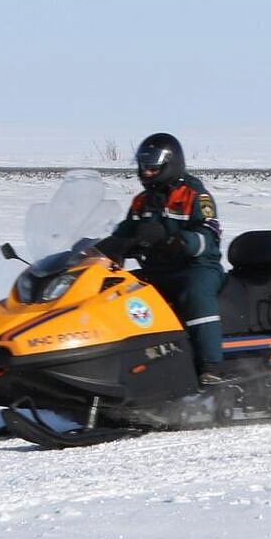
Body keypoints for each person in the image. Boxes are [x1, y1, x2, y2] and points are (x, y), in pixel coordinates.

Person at [96, 132, 227, 382]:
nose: (146, 173)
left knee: (196, 293)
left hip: (195, 267)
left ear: (171, 164)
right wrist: (99, 250)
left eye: (153, 167)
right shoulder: (141, 202)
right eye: (144, 167)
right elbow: (125, 232)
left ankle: (211, 366)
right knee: (115, 293)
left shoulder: (195, 196)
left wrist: (180, 242)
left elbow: (209, 235)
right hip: (156, 270)